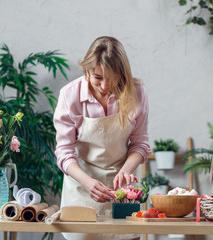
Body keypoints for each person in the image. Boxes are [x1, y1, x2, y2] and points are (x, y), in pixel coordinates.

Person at [53, 36, 151, 240]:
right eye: (98, 77)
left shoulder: (137, 92)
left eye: (113, 78)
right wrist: (88, 182)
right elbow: (64, 152)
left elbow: (140, 143)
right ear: (86, 70)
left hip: (123, 191)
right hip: (81, 185)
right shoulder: (70, 95)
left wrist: (126, 171)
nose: (105, 86)